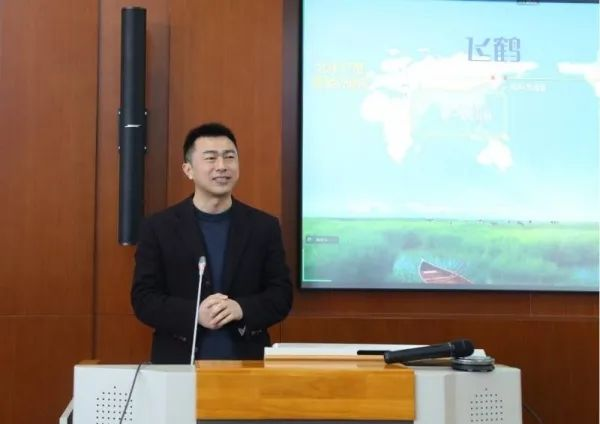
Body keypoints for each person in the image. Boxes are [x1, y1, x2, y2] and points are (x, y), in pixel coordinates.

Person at [131, 122, 293, 364]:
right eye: (210, 158)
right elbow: (144, 299)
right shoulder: (159, 227)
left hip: (247, 364)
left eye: (229, 157)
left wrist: (241, 309)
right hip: (178, 365)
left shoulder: (263, 226)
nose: (222, 166)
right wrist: (195, 314)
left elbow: (281, 295)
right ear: (188, 169)